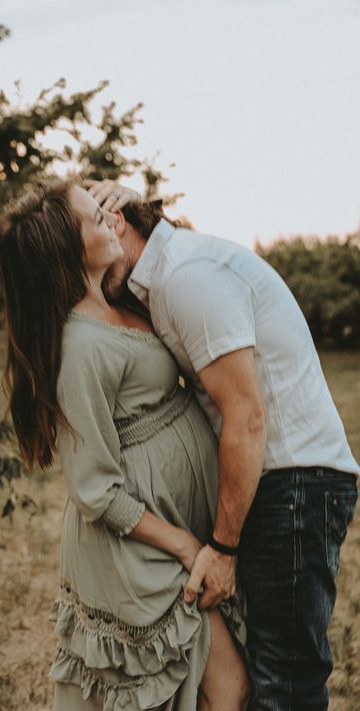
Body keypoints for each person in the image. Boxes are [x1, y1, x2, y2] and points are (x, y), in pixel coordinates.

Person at [84, 178, 360, 711]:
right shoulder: (166, 275)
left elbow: (247, 417)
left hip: (293, 483)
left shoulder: (189, 279)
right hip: (279, 482)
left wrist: (224, 548)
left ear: (117, 223)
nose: (86, 278)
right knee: (271, 668)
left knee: (286, 683)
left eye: (83, 257)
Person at [0, 180, 249, 711]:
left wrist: (132, 197)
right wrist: (182, 545)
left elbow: (169, 249)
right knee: (225, 687)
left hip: (172, 524)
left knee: (201, 688)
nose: (111, 221)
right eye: (94, 220)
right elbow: (93, 489)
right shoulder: (81, 343)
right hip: (142, 550)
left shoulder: (115, 298)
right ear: (68, 252)